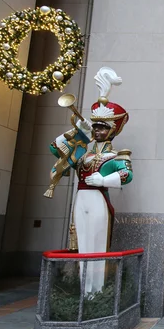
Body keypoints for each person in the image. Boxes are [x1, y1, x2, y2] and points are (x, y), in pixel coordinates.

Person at [49, 67, 133, 295]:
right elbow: (56, 150)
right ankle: (83, 290)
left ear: (112, 129)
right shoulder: (82, 152)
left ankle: (96, 291)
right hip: (80, 199)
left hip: (98, 200)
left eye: (102, 127)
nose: (97, 130)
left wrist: (104, 179)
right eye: (95, 126)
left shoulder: (116, 155)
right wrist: (75, 132)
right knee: (82, 244)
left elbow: (127, 175)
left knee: (97, 244)